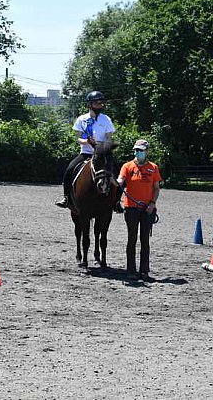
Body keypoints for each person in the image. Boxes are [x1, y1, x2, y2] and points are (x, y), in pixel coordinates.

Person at [55, 91, 115, 208]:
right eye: (97, 103)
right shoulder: (81, 120)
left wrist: (101, 146)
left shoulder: (106, 119)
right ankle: (66, 197)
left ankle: (116, 201)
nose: (99, 105)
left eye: (101, 103)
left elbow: (108, 137)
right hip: (86, 153)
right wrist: (87, 141)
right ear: (90, 104)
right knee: (69, 170)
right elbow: (79, 138)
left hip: (101, 154)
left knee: (115, 172)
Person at [116, 139, 162, 281]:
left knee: (144, 241)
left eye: (141, 150)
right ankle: (131, 270)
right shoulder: (127, 166)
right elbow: (120, 181)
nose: (138, 153)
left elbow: (156, 188)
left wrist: (152, 203)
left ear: (147, 151)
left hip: (147, 209)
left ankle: (144, 271)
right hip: (131, 208)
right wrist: (116, 182)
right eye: (136, 150)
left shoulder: (153, 168)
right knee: (132, 239)